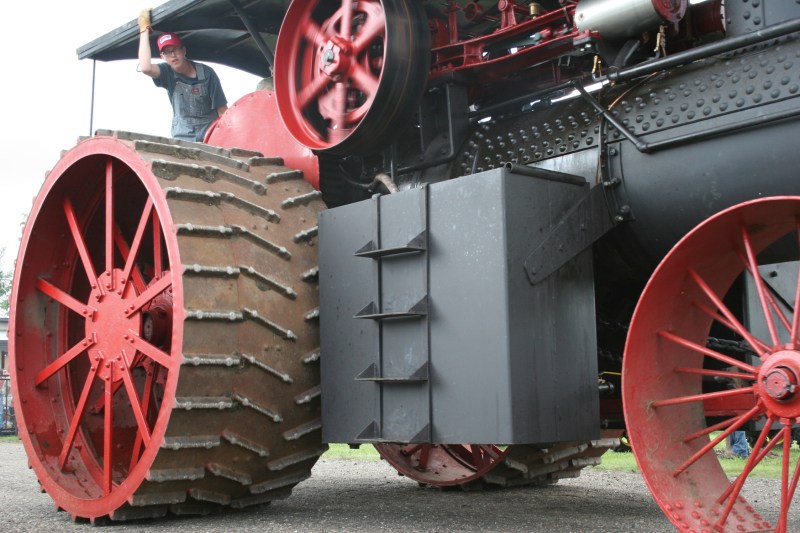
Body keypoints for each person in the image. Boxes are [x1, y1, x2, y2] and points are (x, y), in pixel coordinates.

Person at [138, 10, 228, 142]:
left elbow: (222, 111)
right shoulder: (167, 73)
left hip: (209, 139)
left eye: (175, 49)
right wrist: (144, 30)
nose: (173, 55)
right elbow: (145, 67)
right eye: (167, 52)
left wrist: (225, 138)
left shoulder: (207, 73)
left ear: (183, 50)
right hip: (182, 140)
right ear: (162, 57)